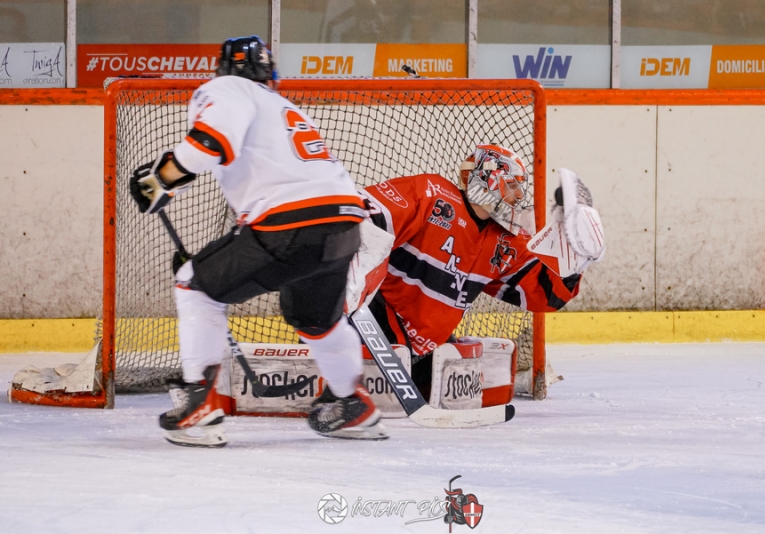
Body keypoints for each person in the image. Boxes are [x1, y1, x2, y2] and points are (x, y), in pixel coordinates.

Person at [129, 35, 387, 447]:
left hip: (289, 222)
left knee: (194, 284)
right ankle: (351, 406)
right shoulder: (282, 105)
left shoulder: (227, 88)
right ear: (270, 73)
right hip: (343, 224)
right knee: (318, 320)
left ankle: (198, 405)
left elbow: (210, 144)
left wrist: (162, 179)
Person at [359, 144, 606, 400]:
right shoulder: (432, 194)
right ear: (488, 179)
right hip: (374, 325)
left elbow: (546, 294)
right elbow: (362, 215)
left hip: (424, 348)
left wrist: (576, 259)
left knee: (484, 392)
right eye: (512, 185)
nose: (519, 196)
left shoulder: (504, 242)